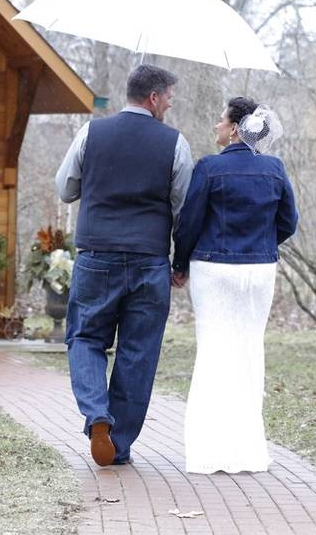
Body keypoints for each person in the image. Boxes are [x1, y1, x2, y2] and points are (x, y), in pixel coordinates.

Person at [55, 64, 193, 466]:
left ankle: (97, 412)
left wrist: (96, 182)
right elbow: (183, 209)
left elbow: (65, 188)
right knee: (139, 352)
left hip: (96, 257)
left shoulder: (91, 133)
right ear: (153, 98)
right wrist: (179, 263)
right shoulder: (175, 143)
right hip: (150, 262)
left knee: (85, 338)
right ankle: (118, 444)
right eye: (168, 97)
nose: (169, 104)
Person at [171, 96, 298, 474]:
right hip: (259, 271)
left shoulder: (209, 168)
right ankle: (247, 451)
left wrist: (180, 265)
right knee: (247, 352)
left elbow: (189, 222)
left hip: (214, 270)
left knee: (213, 352)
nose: (215, 125)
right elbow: (288, 222)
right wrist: (260, 246)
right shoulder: (274, 169)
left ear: (234, 128)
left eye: (220, 119)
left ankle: (210, 451)